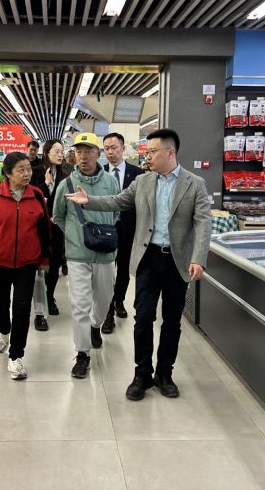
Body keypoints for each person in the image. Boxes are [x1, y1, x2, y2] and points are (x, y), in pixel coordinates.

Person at [66, 129, 211, 400]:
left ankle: (165, 374)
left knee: (171, 321)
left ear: (170, 152)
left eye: (152, 151)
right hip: (148, 259)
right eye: (146, 152)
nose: (147, 156)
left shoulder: (195, 184)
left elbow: (203, 223)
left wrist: (198, 258)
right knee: (143, 318)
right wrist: (89, 202)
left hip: (178, 262)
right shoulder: (143, 181)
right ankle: (141, 374)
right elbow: (117, 201)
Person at [0, 152, 51, 380]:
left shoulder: (36, 195)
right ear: (8, 173)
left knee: (22, 308)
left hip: (27, 263)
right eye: (20, 170)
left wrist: (44, 259)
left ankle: (16, 356)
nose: (26, 174)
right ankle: (4, 329)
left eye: (28, 169)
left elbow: (45, 230)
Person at [52, 132, 119, 378]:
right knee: (79, 305)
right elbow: (58, 216)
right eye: (79, 151)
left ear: (97, 154)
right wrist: (75, 236)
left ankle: (95, 325)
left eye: (88, 151)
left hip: (105, 254)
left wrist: (102, 233)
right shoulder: (66, 185)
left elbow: (117, 211)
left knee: (103, 300)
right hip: (77, 255)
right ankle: (82, 354)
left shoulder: (111, 182)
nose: (83, 156)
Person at [101, 132, 143, 334]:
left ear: (123, 148)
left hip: (128, 228)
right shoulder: (99, 173)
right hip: (106, 229)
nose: (110, 152)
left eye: (114, 147)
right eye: (106, 148)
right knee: (107, 270)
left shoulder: (138, 174)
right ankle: (107, 311)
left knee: (124, 269)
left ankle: (119, 301)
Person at [31, 139, 69, 322]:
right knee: (38, 266)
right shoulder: (35, 172)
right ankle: (39, 307)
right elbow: (31, 196)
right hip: (37, 227)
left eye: (62, 151)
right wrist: (45, 184)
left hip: (57, 228)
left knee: (54, 265)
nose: (60, 155)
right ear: (46, 152)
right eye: (57, 151)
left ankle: (50, 296)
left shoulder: (65, 175)